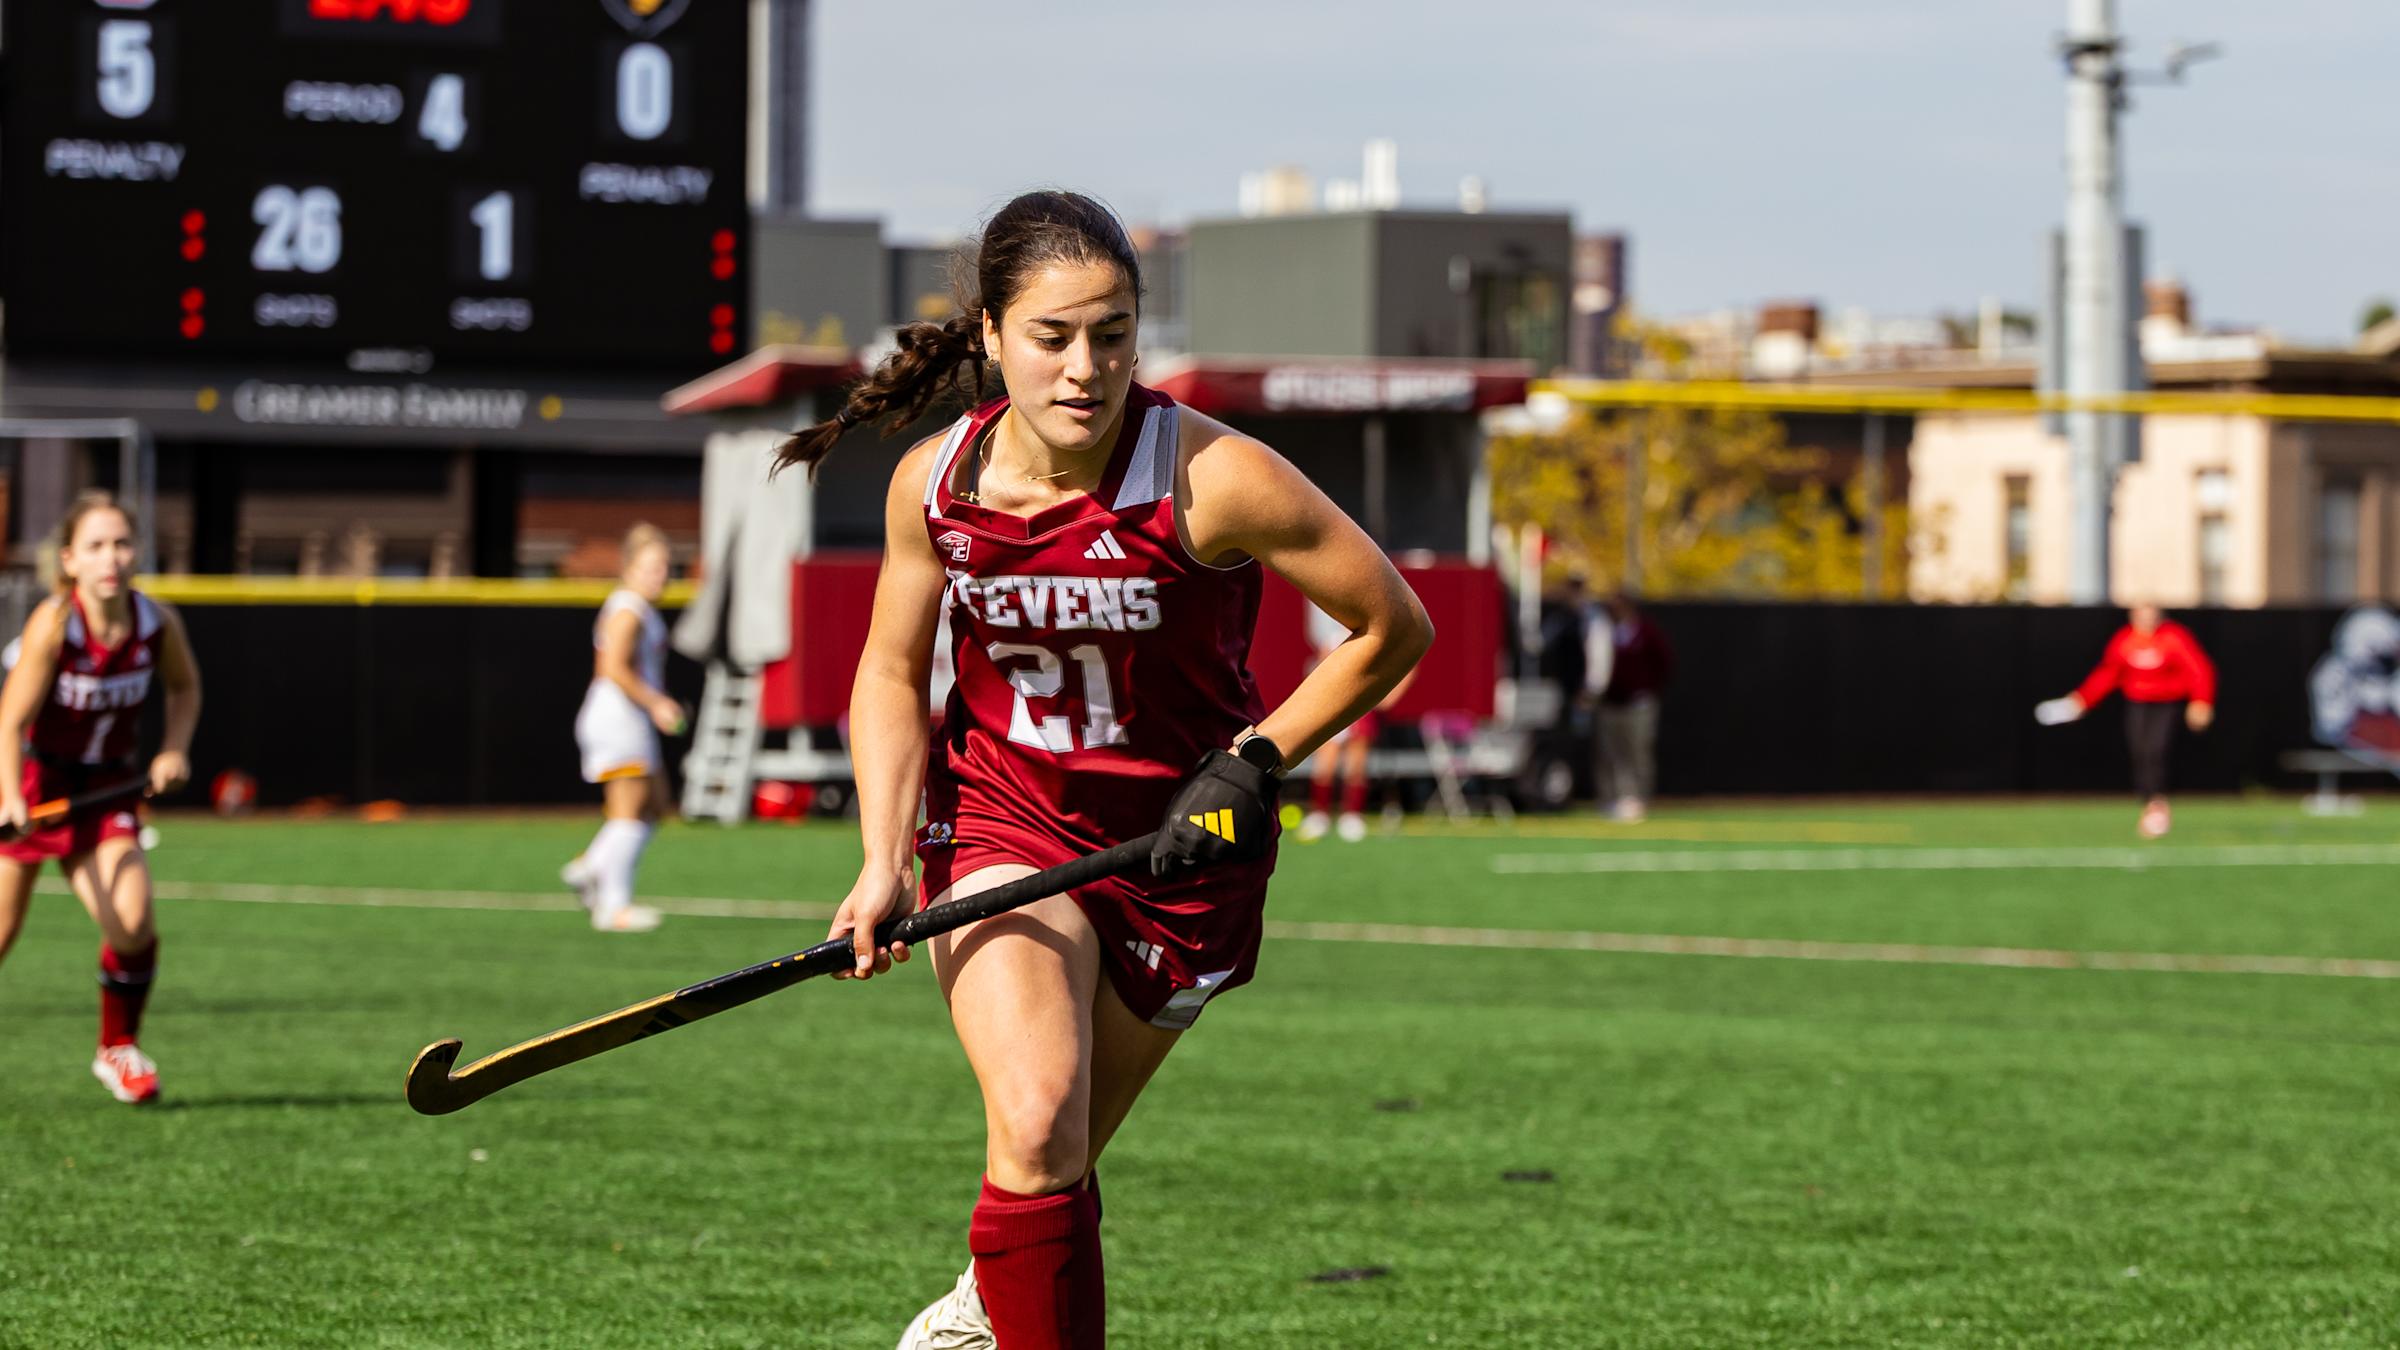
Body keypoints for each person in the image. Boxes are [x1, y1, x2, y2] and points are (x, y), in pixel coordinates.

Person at [775, 190, 1431, 1349]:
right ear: (990, 334)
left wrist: (1255, 760)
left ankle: (996, 1298)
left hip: (1183, 853)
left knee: (1058, 1155)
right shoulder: (936, 486)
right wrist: (882, 862)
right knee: (1034, 1122)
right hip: (1004, 823)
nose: (1089, 368)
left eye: (1115, 334)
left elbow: (1393, 628)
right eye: (1054, 336)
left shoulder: (1213, 478)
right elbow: (889, 672)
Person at [0, 491, 201, 1104]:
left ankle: (118, 1048)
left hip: (106, 793)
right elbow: (10, 723)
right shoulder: (54, 626)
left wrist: (173, 749)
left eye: (120, 543)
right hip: (38, 790)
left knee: (134, 923)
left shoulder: (156, 624)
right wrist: (9, 798)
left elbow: (185, 688)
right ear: (70, 560)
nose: (110, 558)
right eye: (95, 546)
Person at [562, 524, 682, 932]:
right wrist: (657, 703)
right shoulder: (628, 607)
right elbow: (612, 667)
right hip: (618, 718)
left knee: (653, 805)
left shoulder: (639, 607)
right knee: (629, 811)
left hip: (630, 719)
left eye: (665, 567)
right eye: (651, 567)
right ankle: (613, 906)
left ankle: (591, 866)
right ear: (629, 567)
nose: (660, 575)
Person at [2036, 603, 2216, 839]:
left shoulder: (2174, 638)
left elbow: (2198, 669)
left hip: (2166, 704)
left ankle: (2158, 805)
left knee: (2156, 750)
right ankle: (2149, 803)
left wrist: (2201, 701)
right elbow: (2108, 674)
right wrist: (2082, 700)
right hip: (2138, 703)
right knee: (2140, 752)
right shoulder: (2125, 640)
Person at [1296, 603, 1414, 842]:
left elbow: (1410, 661)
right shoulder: (1332, 638)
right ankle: (1320, 815)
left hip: (1360, 704)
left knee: (1356, 763)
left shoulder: (1374, 636)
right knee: (1326, 762)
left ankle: (1352, 816)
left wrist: (1387, 696)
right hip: (1331, 703)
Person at [1586, 591, 1671, 822]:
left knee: (1636, 753)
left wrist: (1645, 689)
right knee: (1608, 753)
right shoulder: (1603, 633)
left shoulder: (1645, 632)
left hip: (1637, 705)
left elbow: (1663, 662)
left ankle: (1638, 800)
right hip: (1610, 703)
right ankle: (1609, 800)